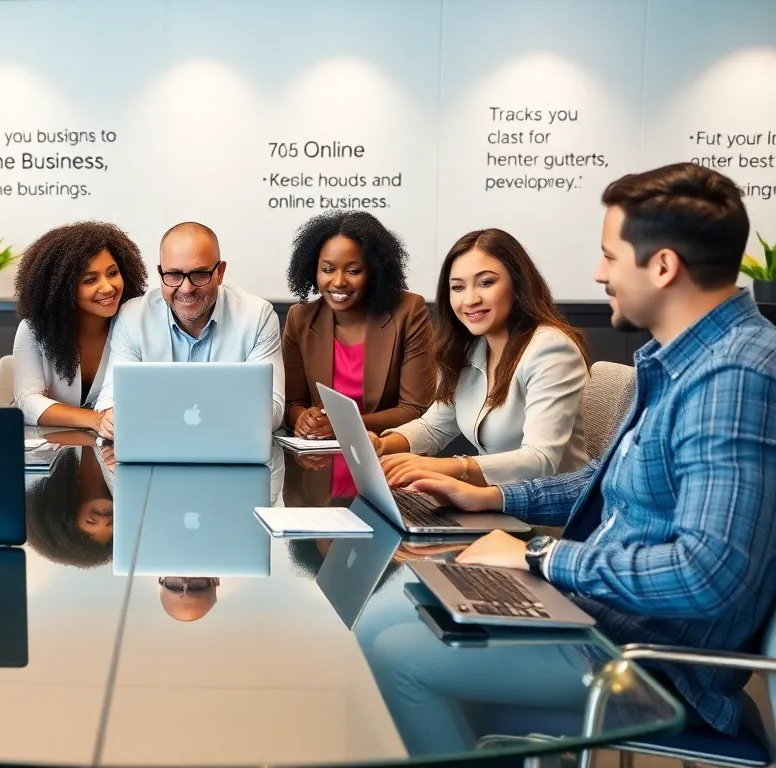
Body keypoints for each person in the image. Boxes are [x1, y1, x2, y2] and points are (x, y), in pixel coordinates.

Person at [385, 162, 776, 749]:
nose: (598, 274)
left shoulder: (734, 375)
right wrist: (488, 496)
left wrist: (541, 556)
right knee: (392, 613)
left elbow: (708, 574)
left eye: (610, 257)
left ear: (663, 266)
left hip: (648, 662)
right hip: (600, 612)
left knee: (394, 655)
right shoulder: (681, 359)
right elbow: (602, 478)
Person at [370, 228, 591, 488]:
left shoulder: (550, 349)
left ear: (518, 285)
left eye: (486, 282)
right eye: (458, 287)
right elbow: (433, 428)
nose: (470, 299)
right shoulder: (473, 349)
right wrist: (382, 445)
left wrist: (440, 467)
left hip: (549, 516)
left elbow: (539, 460)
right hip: (493, 504)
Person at [94, 222, 285, 433]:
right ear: (160, 274)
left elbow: (272, 411)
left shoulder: (257, 316)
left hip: (228, 452)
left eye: (199, 274)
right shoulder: (133, 316)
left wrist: (154, 413)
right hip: (156, 453)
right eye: (174, 275)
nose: (186, 288)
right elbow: (110, 401)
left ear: (220, 273)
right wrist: (111, 417)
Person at [282, 211, 435, 441]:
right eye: (327, 269)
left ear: (374, 271)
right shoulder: (300, 318)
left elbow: (416, 409)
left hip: (387, 457)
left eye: (353, 271)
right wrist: (302, 418)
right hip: (318, 463)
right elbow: (291, 403)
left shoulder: (409, 311)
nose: (339, 280)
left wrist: (346, 425)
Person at [12, 221, 148, 434]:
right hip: (57, 451)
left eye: (112, 273)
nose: (107, 287)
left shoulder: (135, 324)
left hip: (113, 451)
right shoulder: (33, 330)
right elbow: (27, 402)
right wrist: (96, 420)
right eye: (90, 280)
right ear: (62, 289)